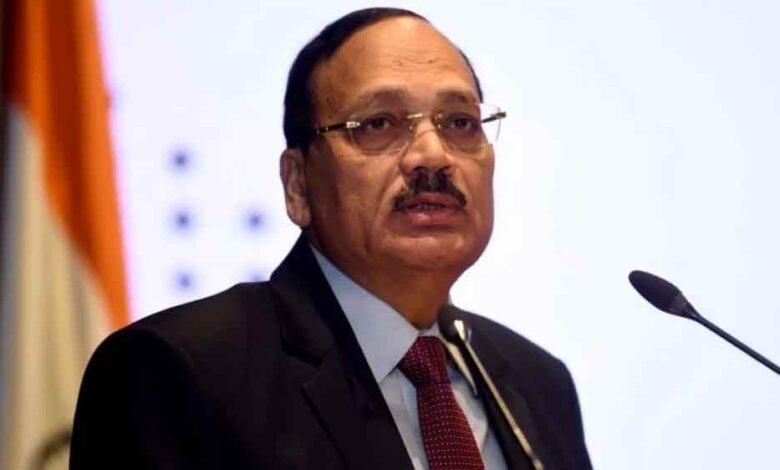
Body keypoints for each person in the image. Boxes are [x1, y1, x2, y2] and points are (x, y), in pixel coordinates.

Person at [70, 8, 592, 470]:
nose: (433, 155)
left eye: (460, 122)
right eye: (378, 123)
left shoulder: (538, 385)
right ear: (298, 184)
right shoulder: (178, 373)